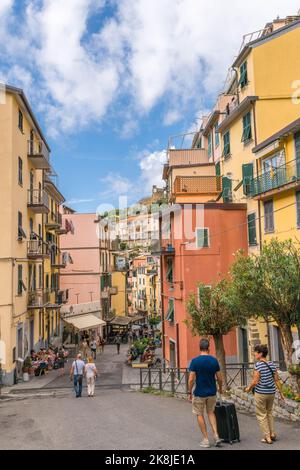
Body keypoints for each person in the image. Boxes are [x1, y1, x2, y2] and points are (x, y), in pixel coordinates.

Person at [245, 344, 284, 444]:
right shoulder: (272, 364)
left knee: (261, 415)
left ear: (260, 354)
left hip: (261, 393)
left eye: (255, 352)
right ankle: (272, 434)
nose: (254, 354)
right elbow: (277, 380)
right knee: (269, 413)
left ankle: (267, 437)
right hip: (271, 393)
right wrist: (281, 393)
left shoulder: (258, 365)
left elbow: (255, 381)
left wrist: (248, 388)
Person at [188, 338, 223, 448]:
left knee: (199, 414)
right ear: (209, 348)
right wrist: (220, 388)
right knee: (211, 413)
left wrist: (189, 391)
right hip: (212, 392)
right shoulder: (214, 360)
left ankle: (206, 439)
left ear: (200, 348)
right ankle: (216, 436)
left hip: (199, 392)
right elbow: (220, 377)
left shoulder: (195, 361)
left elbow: (191, 379)